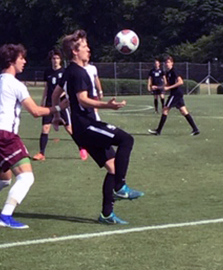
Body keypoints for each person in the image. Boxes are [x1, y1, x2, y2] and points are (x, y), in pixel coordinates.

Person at [0, 44, 68, 229]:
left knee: (3, 180)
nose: (25, 62)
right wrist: (59, 107)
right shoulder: (16, 84)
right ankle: (5, 216)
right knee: (26, 177)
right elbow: (36, 111)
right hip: (5, 135)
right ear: (11, 61)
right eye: (21, 58)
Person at [52, 29, 144, 225]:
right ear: (75, 52)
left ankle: (106, 215)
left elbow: (55, 95)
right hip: (87, 126)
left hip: (82, 128)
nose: (88, 49)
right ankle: (120, 187)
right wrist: (108, 105)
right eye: (84, 47)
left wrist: (57, 113)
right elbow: (83, 100)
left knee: (112, 167)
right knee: (126, 139)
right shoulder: (79, 72)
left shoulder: (69, 71)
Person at [32, 49, 88, 161]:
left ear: (61, 60)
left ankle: (82, 148)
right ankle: (41, 153)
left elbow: (67, 86)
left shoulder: (64, 72)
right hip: (49, 103)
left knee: (68, 128)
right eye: (53, 58)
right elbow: (47, 87)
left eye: (57, 58)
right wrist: (43, 100)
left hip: (61, 103)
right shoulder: (47, 72)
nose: (55, 60)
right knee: (45, 127)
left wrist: (59, 95)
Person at [148, 55, 200, 136]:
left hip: (176, 94)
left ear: (172, 63)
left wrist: (169, 87)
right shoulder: (168, 73)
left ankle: (158, 131)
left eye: (168, 62)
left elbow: (180, 82)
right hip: (177, 94)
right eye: (166, 62)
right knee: (183, 111)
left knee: (165, 109)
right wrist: (157, 87)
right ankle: (195, 129)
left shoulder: (174, 71)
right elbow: (166, 85)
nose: (167, 64)